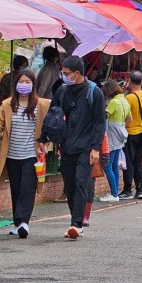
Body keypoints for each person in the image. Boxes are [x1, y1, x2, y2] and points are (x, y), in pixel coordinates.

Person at [38, 55, 106, 240]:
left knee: (80, 182)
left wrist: (95, 148)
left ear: (77, 73)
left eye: (67, 73)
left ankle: (76, 224)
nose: (64, 76)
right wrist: (43, 138)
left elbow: (100, 123)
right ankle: (75, 220)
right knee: (70, 185)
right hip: (67, 146)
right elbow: (52, 116)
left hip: (86, 147)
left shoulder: (94, 92)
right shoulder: (62, 91)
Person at [0, 69, 50, 239]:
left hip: (31, 155)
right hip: (11, 155)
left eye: (28, 82)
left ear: (33, 85)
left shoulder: (42, 105)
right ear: (16, 85)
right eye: (21, 82)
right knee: (15, 188)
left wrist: (46, 143)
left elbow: (51, 126)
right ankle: (17, 222)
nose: (24, 85)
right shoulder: (7, 105)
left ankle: (24, 223)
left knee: (27, 188)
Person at [120, 71, 142, 201]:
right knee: (138, 162)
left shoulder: (129, 98)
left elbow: (126, 117)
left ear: (129, 81)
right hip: (141, 133)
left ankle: (127, 189)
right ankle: (140, 190)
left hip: (130, 133)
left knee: (128, 162)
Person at [99, 79, 130, 203]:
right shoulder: (124, 100)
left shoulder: (114, 102)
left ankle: (114, 193)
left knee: (107, 166)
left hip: (111, 135)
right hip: (120, 134)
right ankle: (115, 192)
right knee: (114, 166)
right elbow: (129, 118)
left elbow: (104, 116)